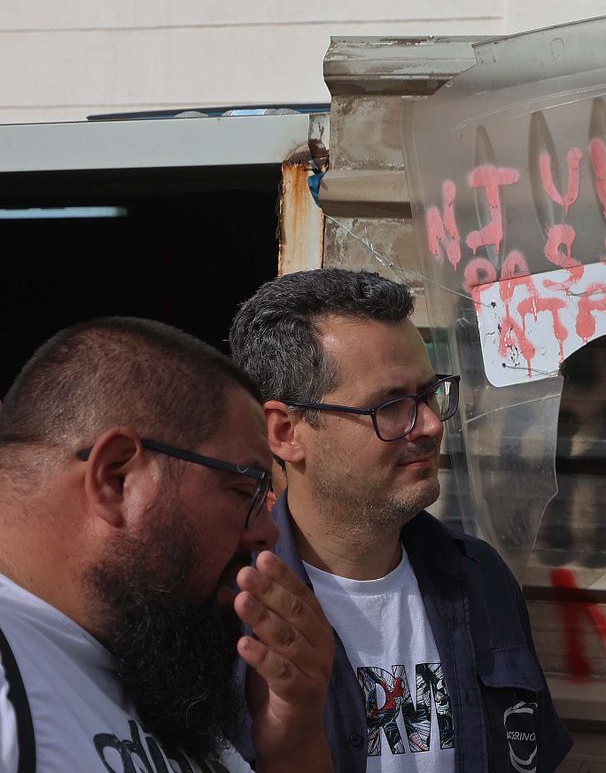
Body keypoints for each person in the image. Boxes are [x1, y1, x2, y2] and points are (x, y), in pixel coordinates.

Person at [228, 268, 571, 773]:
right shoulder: (224, 613)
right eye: (390, 407)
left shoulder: (479, 578)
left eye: (429, 395)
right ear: (284, 432)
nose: (431, 425)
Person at [0, 317, 336, 773]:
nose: (267, 531)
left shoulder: (145, 668)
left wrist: (294, 746)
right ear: (116, 478)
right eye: (243, 492)